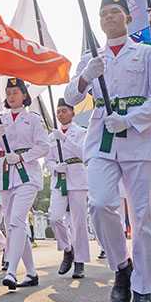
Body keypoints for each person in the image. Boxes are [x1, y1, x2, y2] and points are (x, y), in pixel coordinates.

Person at [63, 0, 151, 302]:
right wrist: (85, 75)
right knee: (100, 203)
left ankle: (143, 290)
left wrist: (131, 119)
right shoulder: (91, 56)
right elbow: (70, 96)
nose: (108, 18)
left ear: (127, 17)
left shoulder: (149, 54)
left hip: (138, 140)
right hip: (101, 139)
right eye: (103, 14)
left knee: (143, 218)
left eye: (114, 12)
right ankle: (121, 266)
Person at [0, 77, 50, 291]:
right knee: (13, 223)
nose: (11, 96)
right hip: (6, 176)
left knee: (16, 221)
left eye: (16, 92)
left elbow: (44, 146)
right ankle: (31, 273)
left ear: (24, 95)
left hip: (27, 175)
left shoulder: (33, 119)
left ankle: (11, 271)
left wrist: (23, 157)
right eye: (9, 92)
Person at [46, 97, 91, 279]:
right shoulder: (52, 136)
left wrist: (64, 139)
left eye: (64, 110)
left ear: (72, 112)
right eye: (58, 111)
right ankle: (67, 248)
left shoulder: (81, 132)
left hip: (77, 177)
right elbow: (48, 159)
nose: (61, 114)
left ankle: (79, 262)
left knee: (78, 222)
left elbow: (83, 153)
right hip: (59, 178)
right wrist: (54, 167)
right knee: (55, 217)